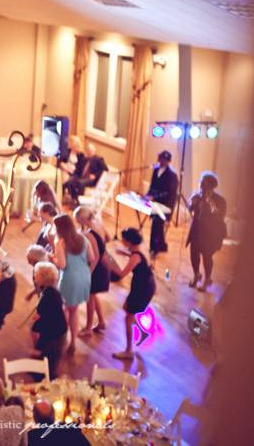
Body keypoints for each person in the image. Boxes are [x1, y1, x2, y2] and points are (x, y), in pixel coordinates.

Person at [52, 213, 96, 355]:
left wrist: (54, 260)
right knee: (74, 310)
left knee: (64, 310)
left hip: (69, 278)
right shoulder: (83, 239)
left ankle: (62, 340)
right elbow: (92, 258)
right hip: (84, 277)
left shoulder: (61, 243)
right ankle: (73, 343)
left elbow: (63, 265)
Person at [111, 228, 156, 360]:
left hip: (142, 288)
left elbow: (121, 274)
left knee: (128, 317)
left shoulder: (135, 255)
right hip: (145, 284)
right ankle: (142, 332)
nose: (122, 241)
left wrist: (109, 263)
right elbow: (136, 257)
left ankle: (128, 351)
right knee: (127, 309)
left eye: (124, 239)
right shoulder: (138, 249)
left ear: (129, 241)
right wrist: (124, 253)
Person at [187, 171, 227, 291]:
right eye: (201, 183)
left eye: (204, 184)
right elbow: (191, 209)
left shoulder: (220, 200)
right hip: (197, 230)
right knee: (193, 253)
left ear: (210, 186)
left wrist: (208, 201)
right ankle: (196, 275)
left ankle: (207, 280)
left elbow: (219, 215)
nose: (201, 186)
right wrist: (191, 203)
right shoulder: (198, 196)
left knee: (207, 256)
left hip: (211, 234)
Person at [74, 205, 110, 336]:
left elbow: (95, 257)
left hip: (96, 269)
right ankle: (101, 321)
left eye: (77, 219)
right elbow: (108, 238)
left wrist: (87, 274)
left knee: (89, 298)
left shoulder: (89, 234)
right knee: (93, 296)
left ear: (82, 218)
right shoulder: (98, 224)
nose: (76, 221)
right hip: (102, 266)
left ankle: (88, 328)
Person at [30, 262, 67, 378]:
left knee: (50, 357)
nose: (34, 276)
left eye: (36, 274)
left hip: (54, 332)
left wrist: (35, 326)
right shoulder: (52, 291)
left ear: (42, 278)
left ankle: (46, 377)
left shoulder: (47, 296)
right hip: (56, 329)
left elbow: (47, 318)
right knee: (48, 354)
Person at [146, 150, 179, 256]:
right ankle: (160, 245)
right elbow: (152, 186)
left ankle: (154, 248)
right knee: (156, 224)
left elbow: (169, 193)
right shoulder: (155, 170)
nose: (161, 161)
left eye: (164, 160)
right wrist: (147, 195)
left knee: (157, 223)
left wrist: (154, 197)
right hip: (155, 202)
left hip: (165, 204)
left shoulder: (172, 175)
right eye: (160, 159)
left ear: (168, 161)